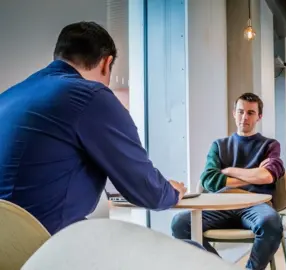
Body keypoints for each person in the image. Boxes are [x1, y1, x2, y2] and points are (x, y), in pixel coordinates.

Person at [0, 21, 186, 235]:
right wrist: (171, 192)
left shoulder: (10, 95)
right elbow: (147, 191)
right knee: (185, 250)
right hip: (43, 245)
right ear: (106, 63)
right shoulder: (91, 95)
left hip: (7, 248)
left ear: (59, 55)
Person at [171, 93, 285, 270]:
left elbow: (267, 176)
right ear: (234, 113)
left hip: (255, 205)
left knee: (272, 222)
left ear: (259, 116)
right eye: (240, 112)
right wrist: (253, 175)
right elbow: (209, 180)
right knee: (180, 223)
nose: (244, 117)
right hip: (221, 204)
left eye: (251, 113)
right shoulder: (219, 145)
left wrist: (229, 171)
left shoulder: (270, 145)